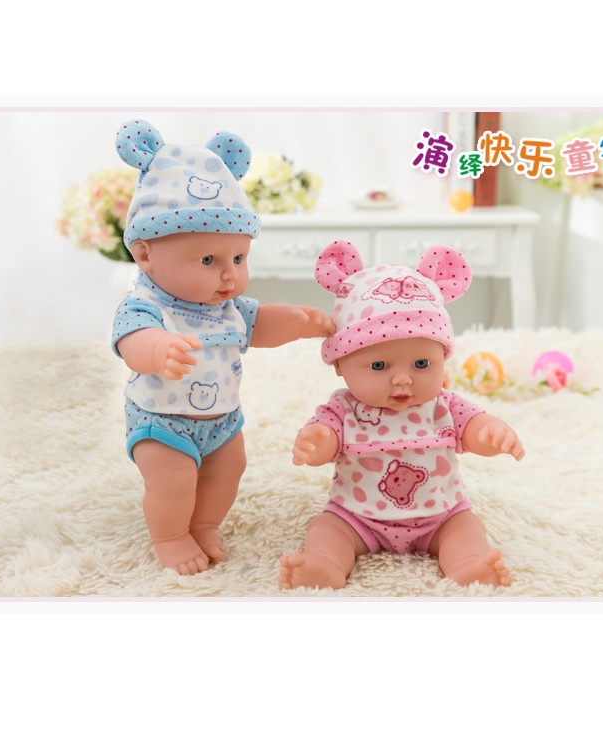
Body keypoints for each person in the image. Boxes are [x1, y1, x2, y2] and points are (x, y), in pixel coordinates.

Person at [112, 120, 334, 575]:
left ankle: (205, 524)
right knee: (173, 481)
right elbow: (133, 342)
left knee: (228, 470)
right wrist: (158, 350)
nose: (229, 274)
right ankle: (172, 536)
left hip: (222, 421)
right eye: (208, 260)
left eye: (238, 258)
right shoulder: (146, 305)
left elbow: (260, 323)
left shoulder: (228, 307)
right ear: (145, 254)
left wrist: (296, 321)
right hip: (162, 420)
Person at [279, 239, 524, 590]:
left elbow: (473, 428)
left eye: (422, 364)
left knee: (467, 527)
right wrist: (317, 443)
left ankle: (468, 564)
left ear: (442, 358)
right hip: (357, 517)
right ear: (339, 365)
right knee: (327, 529)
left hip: (440, 515)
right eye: (379, 366)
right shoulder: (344, 408)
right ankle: (324, 564)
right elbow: (328, 437)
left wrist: (490, 433)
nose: (403, 379)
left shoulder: (444, 405)